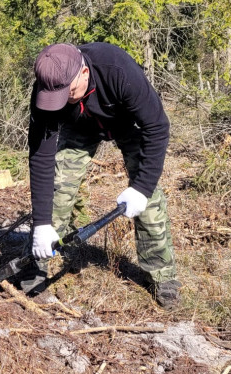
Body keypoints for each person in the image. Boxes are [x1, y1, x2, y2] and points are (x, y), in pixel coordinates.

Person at [26, 42, 181, 308]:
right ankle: (36, 268)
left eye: (68, 92)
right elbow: (41, 156)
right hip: (80, 127)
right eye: (55, 97)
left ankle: (162, 276)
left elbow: (157, 127)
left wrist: (141, 189)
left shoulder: (117, 70)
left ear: (84, 73)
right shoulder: (48, 88)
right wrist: (41, 223)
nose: (62, 101)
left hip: (129, 124)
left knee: (149, 201)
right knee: (58, 188)